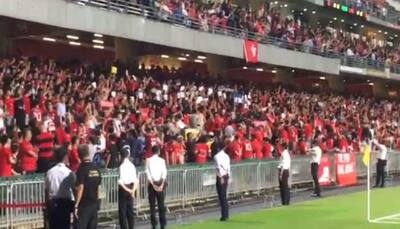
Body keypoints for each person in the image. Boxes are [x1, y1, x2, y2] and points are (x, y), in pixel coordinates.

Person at [45, 146, 76, 229]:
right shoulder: (69, 173)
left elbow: (46, 191)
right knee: (65, 225)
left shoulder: (49, 172)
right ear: (65, 157)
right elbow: (74, 189)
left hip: (53, 203)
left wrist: (47, 205)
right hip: (66, 203)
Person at [74, 144, 102, 229]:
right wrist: (98, 202)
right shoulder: (96, 168)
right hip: (94, 203)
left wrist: (76, 205)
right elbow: (99, 187)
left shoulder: (81, 169)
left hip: (84, 205)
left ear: (79, 155)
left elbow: (80, 187)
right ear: (89, 153)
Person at [146, 146, 167, 229]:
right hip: (160, 183)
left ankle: (154, 224)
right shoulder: (162, 161)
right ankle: (163, 224)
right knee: (161, 205)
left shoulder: (148, 160)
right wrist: (161, 184)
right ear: (158, 152)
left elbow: (148, 174)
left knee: (152, 206)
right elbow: (164, 173)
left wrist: (153, 184)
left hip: (152, 184)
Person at [118, 145, 138, 229]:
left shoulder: (121, 166)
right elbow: (135, 180)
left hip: (124, 190)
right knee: (130, 211)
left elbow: (120, 182)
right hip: (131, 188)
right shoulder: (132, 165)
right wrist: (132, 191)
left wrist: (129, 191)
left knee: (122, 212)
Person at [214, 142, 230, 222]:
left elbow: (218, 167)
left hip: (221, 176)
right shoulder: (226, 156)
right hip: (226, 175)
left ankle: (224, 215)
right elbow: (228, 167)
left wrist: (220, 177)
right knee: (224, 195)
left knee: (222, 196)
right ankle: (225, 214)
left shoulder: (217, 156)